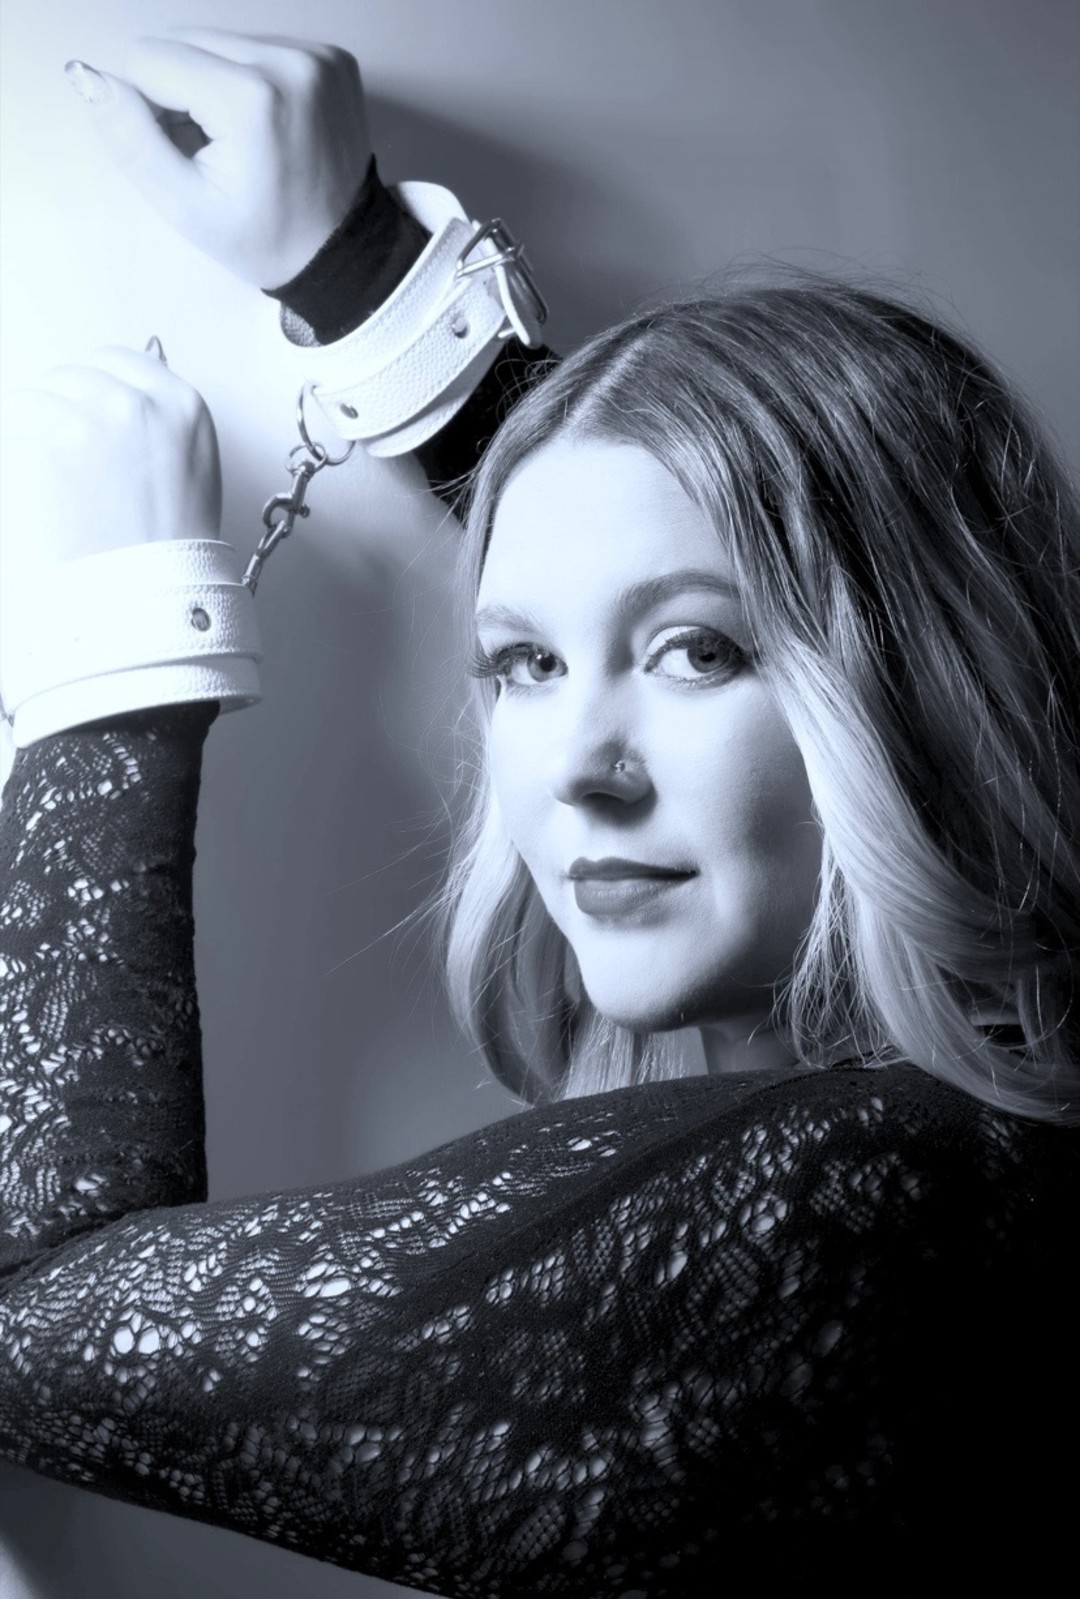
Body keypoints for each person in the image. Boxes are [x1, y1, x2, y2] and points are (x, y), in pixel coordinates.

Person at [1, 26, 1078, 1596]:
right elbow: (703, 527)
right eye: (524, 663)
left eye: (698, 656)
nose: (578, 768)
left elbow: (26, 1309)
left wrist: (124, 647)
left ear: (914, 690)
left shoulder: (838, 1223)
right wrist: (373, 286)